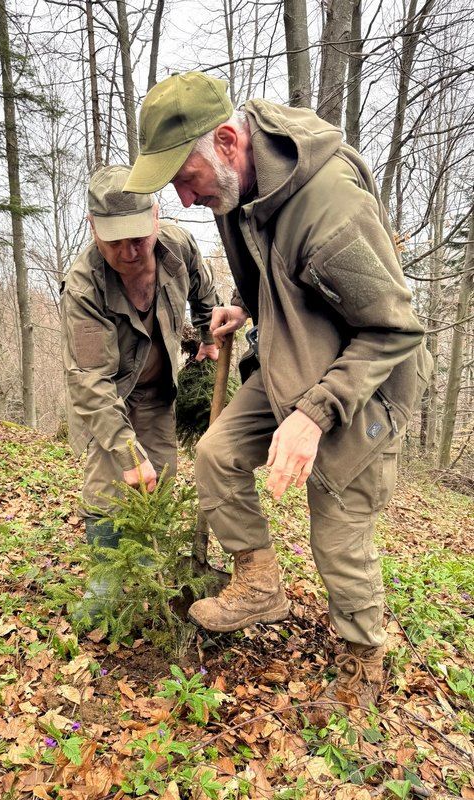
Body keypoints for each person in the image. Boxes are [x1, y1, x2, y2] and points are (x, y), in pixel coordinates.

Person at [124, 72, 432, 708]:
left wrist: (315, 416)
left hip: (365, 381)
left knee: (337, 536)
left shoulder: (331, 205)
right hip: (293, 358)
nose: (183, 199)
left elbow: (394, 329)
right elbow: (280, 272)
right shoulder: (240, 188)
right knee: (217, 454)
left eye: (185, 179)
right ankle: (260, 580)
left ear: (229, 142)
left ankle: (362, 663)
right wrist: (244, 304)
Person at [61, 164, 219, 551]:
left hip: (158, 391)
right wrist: (127, 451)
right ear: (93, 226)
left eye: (138, 238)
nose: (129, 252)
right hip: (108, 397)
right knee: (108, 483)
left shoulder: (177, 248)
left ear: (155, 216)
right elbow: (89, 380)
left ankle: (149, 563)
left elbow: (204, 288)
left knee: (160, 474)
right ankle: (108, 575)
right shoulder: (84, 287)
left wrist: (207, 335)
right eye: (114, 241)